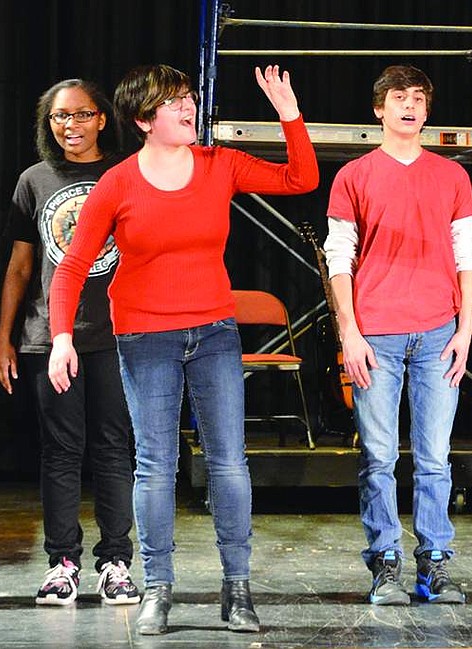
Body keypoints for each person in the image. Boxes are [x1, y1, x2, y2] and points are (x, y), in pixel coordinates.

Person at [47, 63, 318, 634]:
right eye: (174, 102)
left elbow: (301, 179)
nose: (188, 108)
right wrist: (62, 337)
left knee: (229, 462)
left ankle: (237, 589)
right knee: (155, 465)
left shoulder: (220, 165)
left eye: (190, 98)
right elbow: (72, 267)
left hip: (214, 332)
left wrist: (289, 113)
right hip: (145, 337)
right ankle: (159, 589)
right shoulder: (117, 183)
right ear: (144, 120)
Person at [324, 64, 472, 606]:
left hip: (438, 332)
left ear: (427, 110)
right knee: (380, 457)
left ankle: (433, 564)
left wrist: (466, 330)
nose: (408, 105)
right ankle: (385, 563)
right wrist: (350, 332)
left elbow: (466, 257)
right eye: (398, 97)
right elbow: (338, 259)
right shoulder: (354, 176)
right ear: (379, 109)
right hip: (377, 334)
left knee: (436, 457)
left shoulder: (453, 176)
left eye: (418, 98)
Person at [0, 79, 139, 606]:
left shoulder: (126, 173)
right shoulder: (34, 180)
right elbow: (20, 266)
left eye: (81, 115)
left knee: (113, 449)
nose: (70, 126)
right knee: (60, 450)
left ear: (102, 118)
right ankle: (61, 563)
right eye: (59, 117)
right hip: (48, 338)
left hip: (116, 334)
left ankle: (117, 562)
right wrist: (3, 337)